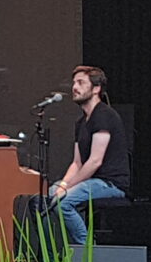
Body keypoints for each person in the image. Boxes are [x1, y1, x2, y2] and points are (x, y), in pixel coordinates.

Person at [47, 65, 130, 244]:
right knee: (52, 193)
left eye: (81, 82)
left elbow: (94, 161)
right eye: (74, 83)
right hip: (91, 182)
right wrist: (63, 184)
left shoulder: (104, 115)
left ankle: (87, 250)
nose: (74, 87)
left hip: (110, 183)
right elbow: (77, 163)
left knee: (64, 203)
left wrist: (67, 189)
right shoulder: (81, 122)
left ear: (96, 89)